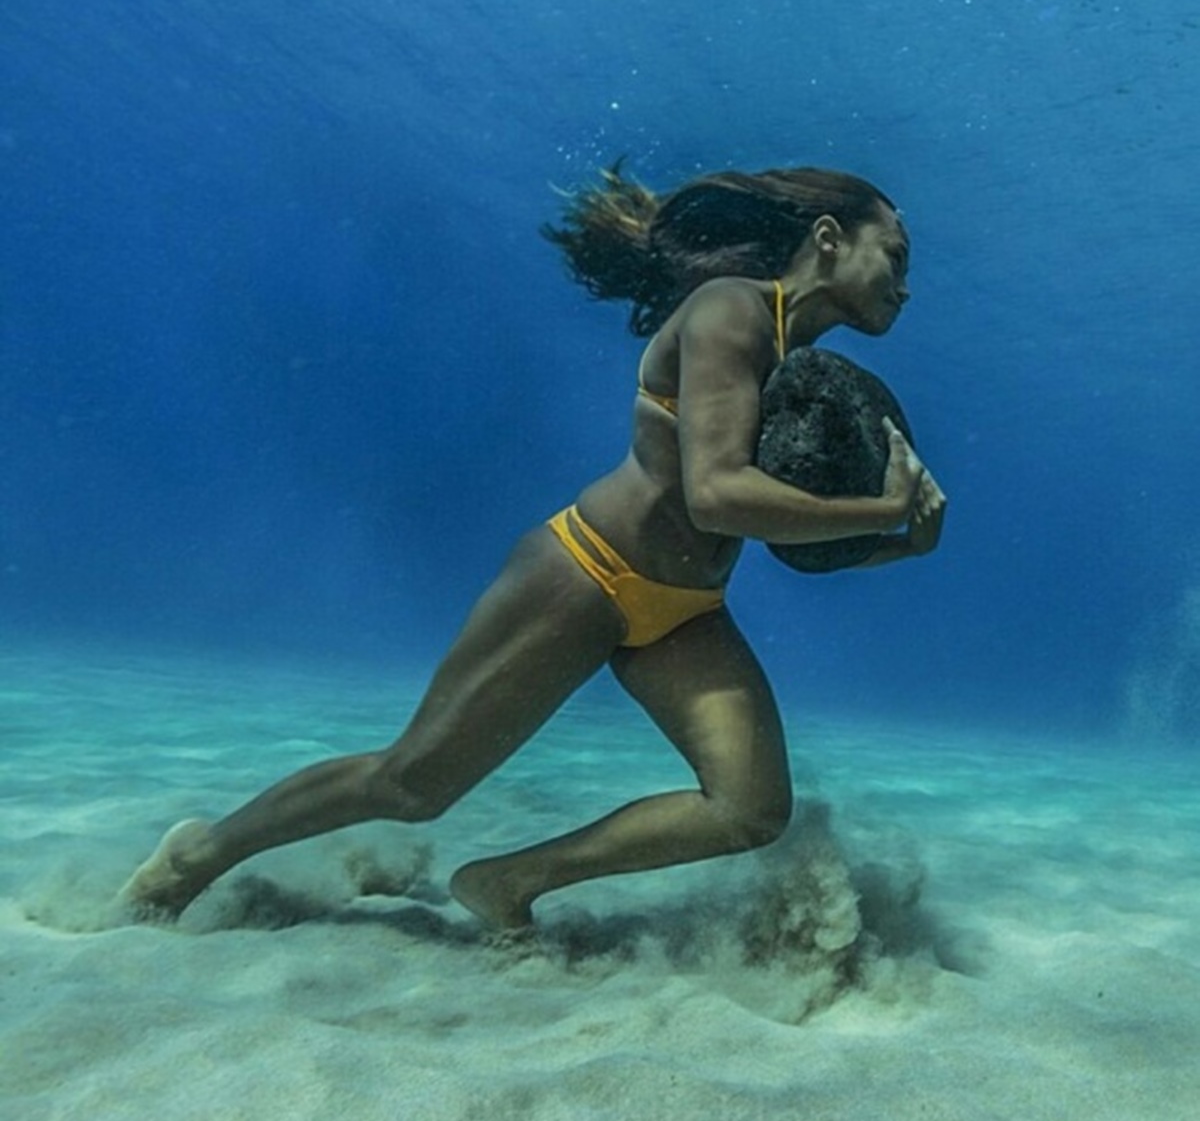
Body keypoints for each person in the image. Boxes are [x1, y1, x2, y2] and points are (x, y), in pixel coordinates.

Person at [120, 164, 946, 932]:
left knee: (751, 809)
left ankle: (509, 882)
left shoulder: (798, 367)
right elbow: (718, 492)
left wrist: (901, 542)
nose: (907, 288)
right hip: (586, 574)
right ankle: (203, 851)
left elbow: (780, 532)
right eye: (896, 257)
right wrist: (878, 508)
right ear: (831, 238)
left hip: (688, 613)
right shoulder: (731, 310)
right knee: (411, 785)